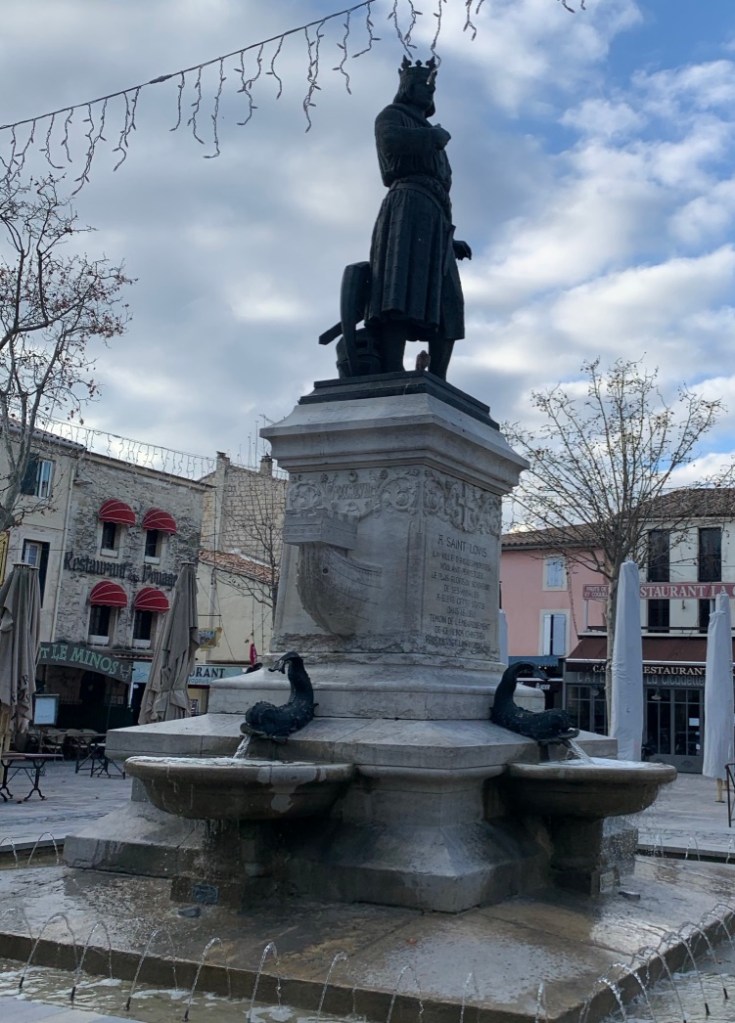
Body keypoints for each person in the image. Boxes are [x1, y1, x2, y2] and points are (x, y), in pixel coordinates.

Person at [366, 56, 472, 380]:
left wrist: (449, 239)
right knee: (400, 286)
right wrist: (431, 138)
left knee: (449, 300)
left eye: (432, 89)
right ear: (407, 88)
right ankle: (392, 368)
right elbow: (390, 144)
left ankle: (438, 379)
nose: (429, 93)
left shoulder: (429, 130)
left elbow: (441, 186)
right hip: (407, 208)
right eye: (423, 87)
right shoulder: (391, 115)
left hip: (437, 219)